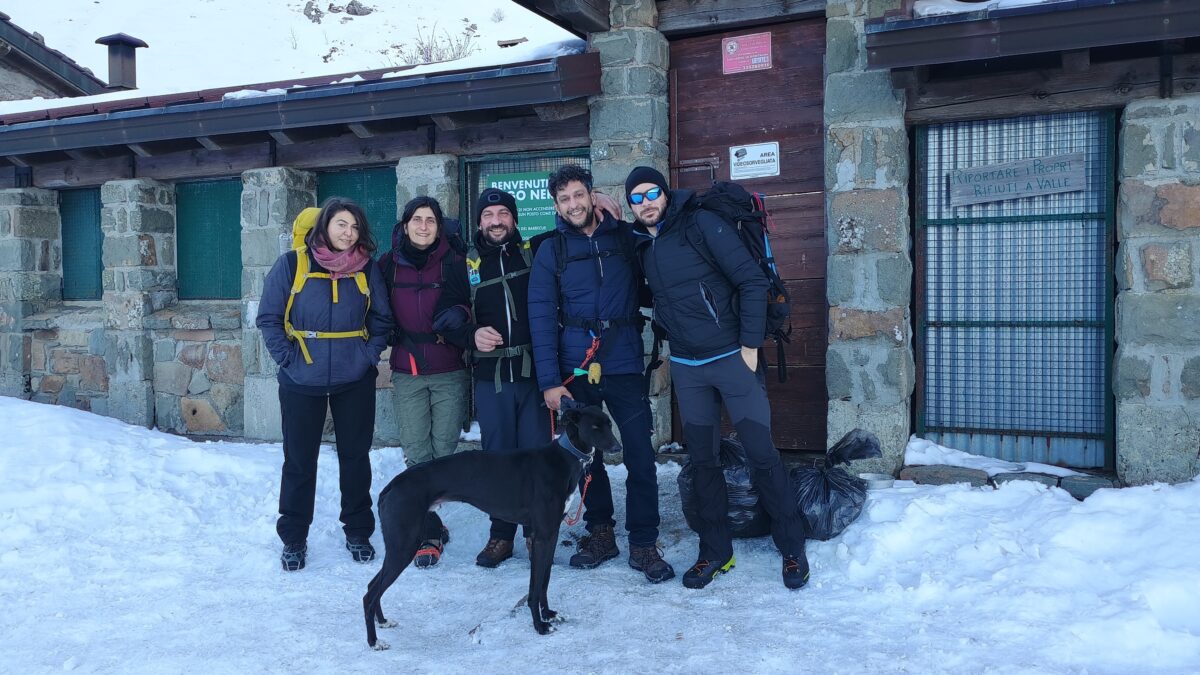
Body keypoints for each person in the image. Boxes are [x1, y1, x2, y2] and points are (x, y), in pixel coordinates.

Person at [624, 166, 810, 590]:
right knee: (703, 461)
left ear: (665, 194)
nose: (646, 203)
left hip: (732, 358)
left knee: (761, 454)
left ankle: (792, 547)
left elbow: (751, 281)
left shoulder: (701, 224)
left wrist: (749, 345)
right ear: (630, 206)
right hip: (688, 367)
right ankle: (715, 552)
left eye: (652, 193)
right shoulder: (642, 245)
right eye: (636, 198)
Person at [527, 164, 674, 583]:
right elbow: (541, 317)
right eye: (564, 199)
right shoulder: (551, 251)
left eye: (579, 194)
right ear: (556, 206)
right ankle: (601, 532)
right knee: (586, 456)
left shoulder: (625, 237)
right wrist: (550, 382)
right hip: (576, 366)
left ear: (592, 195)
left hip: (624, 359)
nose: (573, 204)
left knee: (640, 454)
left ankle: (644, 541)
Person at [256, 198, 392, 572]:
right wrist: (288, 358)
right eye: (341, 224)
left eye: (355, 227)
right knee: (299, 461)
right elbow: (268, 317)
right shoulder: (292, 264)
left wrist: (368, 355)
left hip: (354, 379)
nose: (348, 233)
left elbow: (382, 318)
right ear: (324, 226)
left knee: (356, 457)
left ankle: (358, 531)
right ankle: (294, 537)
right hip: (301, 378)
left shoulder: (366, 269)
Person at [433, 187, 551, 568]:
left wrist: (599, 201)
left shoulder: (535, 251)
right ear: (479, 221)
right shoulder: (461, 265)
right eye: (488, 215)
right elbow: (443, 317)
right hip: (491, 378)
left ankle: (536, 533)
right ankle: (501, 534)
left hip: (534, 375)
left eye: (503, 214)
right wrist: (472, 336)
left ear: (514, 218)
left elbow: (574, 225)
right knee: (497, 459)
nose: (496, 221)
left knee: (536, 457)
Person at [379, 196, 470, 568]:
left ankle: (430, 521)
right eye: (416, 219)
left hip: (448, 368)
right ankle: (428, 530)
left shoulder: (455, 261)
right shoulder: (387, 265)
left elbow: (472, 301)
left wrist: (460, 313)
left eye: (430, 220)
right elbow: (375, 307)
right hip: (408, 369)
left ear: (439, 225)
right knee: (417, 455)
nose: (423, 226)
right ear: (405, 225)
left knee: (443, 453)